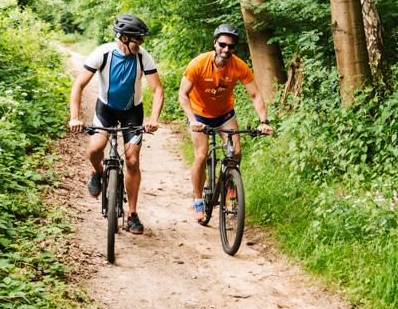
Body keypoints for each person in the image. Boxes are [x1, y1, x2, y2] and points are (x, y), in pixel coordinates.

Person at [69, 14, 164, 235]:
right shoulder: (103, 53)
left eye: (141, 39)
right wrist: (75, 116)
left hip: (133, 111)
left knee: (132, 160)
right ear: (122, 37)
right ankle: (97, 172)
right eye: (137, 39)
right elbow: (79, 85)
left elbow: (158, 90)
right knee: (94, 149)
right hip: (106, 109)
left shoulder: (143, 57)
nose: (141, 43)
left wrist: (153, 119)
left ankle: (132, 214)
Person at [178, 23, 273, 224]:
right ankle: (197, 200)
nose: (226, 49)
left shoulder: (239, 66)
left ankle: (230, 188)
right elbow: (183, 94)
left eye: (231, 46)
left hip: (224, 115)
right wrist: (193, 120)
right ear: (215, 44)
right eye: (222, 44)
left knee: (236, 153)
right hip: (199, 115)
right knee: (201, 155)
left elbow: (255, 94)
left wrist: (263, 121)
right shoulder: (198, 63)